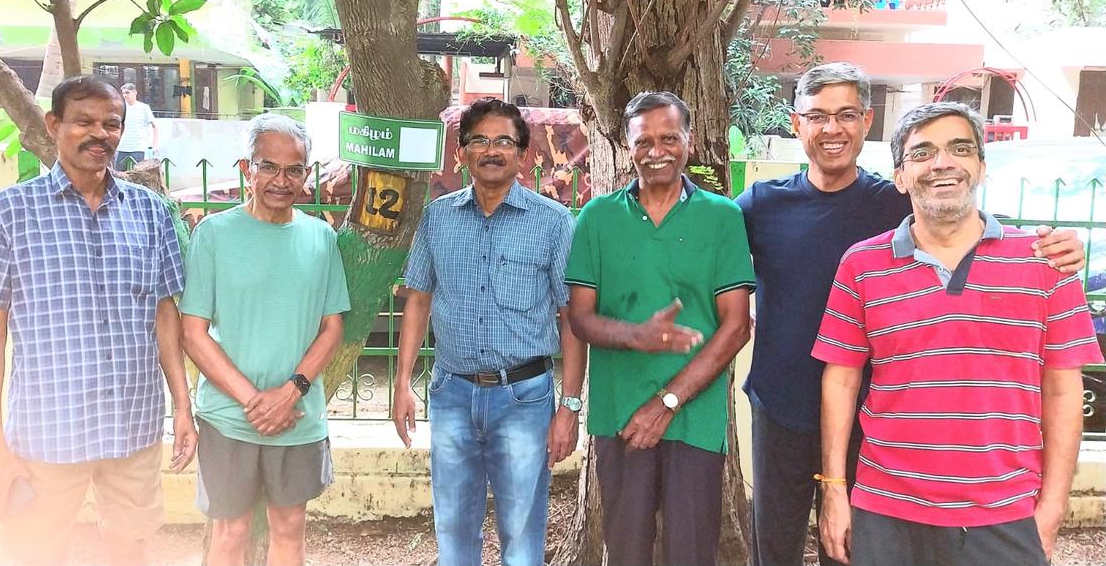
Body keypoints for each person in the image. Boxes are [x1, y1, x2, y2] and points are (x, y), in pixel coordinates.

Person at [737, 62, 1086, 566]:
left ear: (866, 121)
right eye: (817, 116)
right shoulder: (761, 205)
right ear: (797, 125)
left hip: (871, 418)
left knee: (849, 548)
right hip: (781, 405)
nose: (831, 128)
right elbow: (712, 261)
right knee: (773, 550)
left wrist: (1051, 243)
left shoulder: (892, 198)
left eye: (846, 114)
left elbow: (958, 216)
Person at [813, 102, 1102, 565]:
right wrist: (833, 491)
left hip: (1006, 515)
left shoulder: (1046, 261)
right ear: (901, 177)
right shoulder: (861, 265)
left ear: (981, 167)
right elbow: (841, 380)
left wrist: (1051, 507)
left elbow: (1063, 390)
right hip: (887, 510)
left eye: (959, 148)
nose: (942, 162)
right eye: (922, 152)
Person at [0, 74, 196, 564]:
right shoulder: (7, 212)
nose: (99, 134)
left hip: (133, 425)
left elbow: (165, 314)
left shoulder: (150, 212)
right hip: (46, 434)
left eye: (112, 124)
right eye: (83, 121)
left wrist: (182, 405)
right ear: (53, 124)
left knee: (129, 550)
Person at [564, 91, 755, 565]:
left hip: (694, 419)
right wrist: (635, 335)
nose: (657, 150)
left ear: (688, 141)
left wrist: (667, 402)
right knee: (626, 550)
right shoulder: (597, 217)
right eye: (643, 139)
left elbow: (735, 327)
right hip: (619, 417)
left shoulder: (722, 217)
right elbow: (579, 316)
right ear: (625, 146)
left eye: (669, 137)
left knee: (691, 552)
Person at [392, 98, 585, 566]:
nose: (492, 150)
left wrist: (570, 407)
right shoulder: (438, 218)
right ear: (462, 153)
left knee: (521, 534)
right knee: (454, 528)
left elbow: (571, 317)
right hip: (452, 394)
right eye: (480, 140)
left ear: (523, 154)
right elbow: (418, 298)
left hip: (524, 399)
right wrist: (402, 385)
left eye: (504, 141)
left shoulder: (555, 222)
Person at [179, 113, 350, 566]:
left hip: (297, 415)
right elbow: (193, 333)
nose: (281, 179)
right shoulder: (213, 235)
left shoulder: (321, 238)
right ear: (245, 169)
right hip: (228, 417)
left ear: (307, 174)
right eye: (268, 166)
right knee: (231, 531)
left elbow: (332, 326)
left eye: (294, 169)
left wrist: (290, 391)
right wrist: (256, 400)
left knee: (290, 527)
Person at [115, 82, 156, 169]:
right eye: (123, 93)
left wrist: (154, 145)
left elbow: (154, 126)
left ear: (135, 93)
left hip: (138, 147)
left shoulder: (144, 108)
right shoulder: (120, 107)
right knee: (118, 174)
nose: (125, 95)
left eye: (127, 92)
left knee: (137, 174)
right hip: (122, 146)